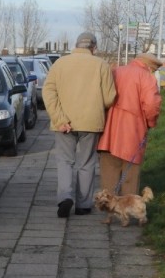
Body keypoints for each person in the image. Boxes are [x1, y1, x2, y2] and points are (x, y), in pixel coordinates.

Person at [43, 31, 117, 218]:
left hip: (64, 123)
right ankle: (84, 205)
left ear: (76, 45)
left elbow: (48, 92)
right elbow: (109, 98)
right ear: (94, 47)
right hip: (91, 122)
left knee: (65, 161)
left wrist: (60, 119)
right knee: (86, 163)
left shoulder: (59, 64)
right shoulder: (101, 65)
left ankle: (65, 198)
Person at [97, 52, 163, 196]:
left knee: (108, 170)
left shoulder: (116, 71)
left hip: (108, 129)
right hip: (133, 131)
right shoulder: (146, 77)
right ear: (150, 67)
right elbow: (152, 104)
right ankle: (128, 209)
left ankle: (109, 210)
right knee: (130, 174)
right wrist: (151, 122)